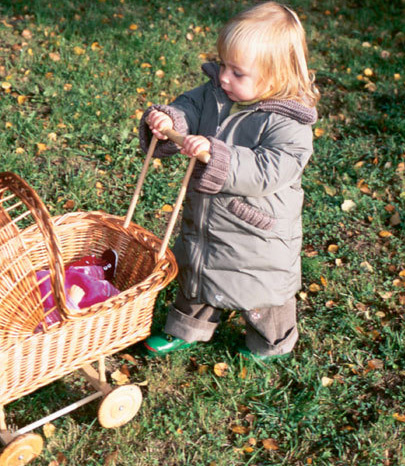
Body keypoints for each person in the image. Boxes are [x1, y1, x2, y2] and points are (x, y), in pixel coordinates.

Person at [138, 2, 319, 361]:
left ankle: (273, 341)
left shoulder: (288, 123)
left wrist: (216, 154)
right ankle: (187, 329)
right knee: (198, 271)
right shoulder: (216, 93)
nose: (223, 77)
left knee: (262, 291)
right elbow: (189, 106)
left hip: (258, 231)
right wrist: (170, 120)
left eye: (238, 72)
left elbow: (270, 169)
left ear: (275, 77)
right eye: (223, 64)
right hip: (208, 217)